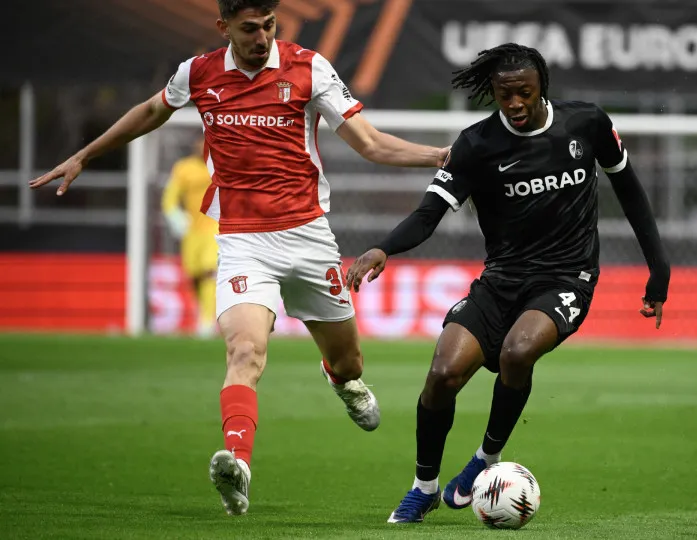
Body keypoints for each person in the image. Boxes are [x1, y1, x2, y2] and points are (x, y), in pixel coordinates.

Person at [29, 0, 449, 517]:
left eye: (269, 26)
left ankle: (341, 380)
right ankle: (238, 464)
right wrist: (85, 154)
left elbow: (370, 143)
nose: (261, 37)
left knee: (349, 360)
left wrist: (438, 156)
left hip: (309, 237)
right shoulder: (198, 73)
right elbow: (152, 111)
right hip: (243, 242)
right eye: (249, 29)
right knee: (245, 352)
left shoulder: (309, 67)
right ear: (223, 27)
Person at [345, 43, 671, 524]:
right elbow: (428, 214)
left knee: (518, 352)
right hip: (500, 280)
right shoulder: (477, 145)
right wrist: (383, 248)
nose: (515, 103)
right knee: (443, 375)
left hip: (567, 277)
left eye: (525, 93)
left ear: (542, 87)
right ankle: (424, 487)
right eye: (504, 95)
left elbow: (630, 191)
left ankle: (486, 458)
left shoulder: (586, 124)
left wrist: (658, 271)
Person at [161, 135, 219, 337]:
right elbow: (169, 198)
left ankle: (207, 322)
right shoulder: (183, 168)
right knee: (194, 275)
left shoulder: (221, 166)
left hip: (215, 227)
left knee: (209, 271)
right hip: (192, 230)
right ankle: (202, 313)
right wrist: (176, 217)